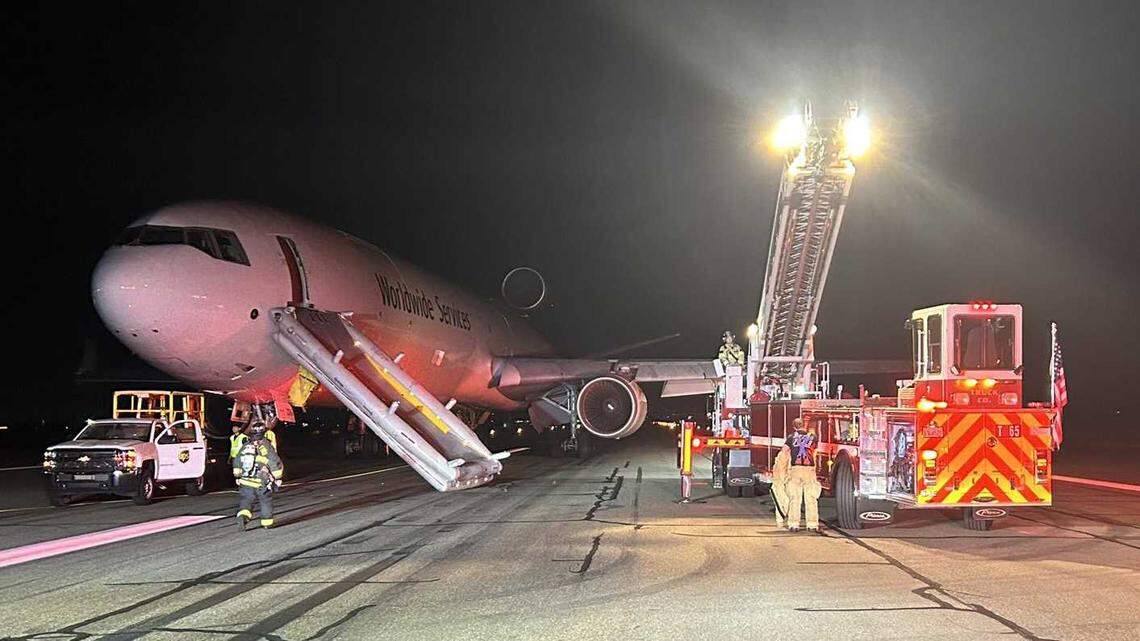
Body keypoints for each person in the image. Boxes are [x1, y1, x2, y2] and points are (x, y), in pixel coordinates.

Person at [233, 420, 284, 530]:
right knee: (265, 501)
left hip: (245, 480)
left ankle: (243, 516)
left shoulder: (246, 446)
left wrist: (237, 476)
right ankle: (267, 523)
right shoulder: (266, 446)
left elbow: (237, 461)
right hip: (261, 481)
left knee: (246, 500)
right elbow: (274, 462)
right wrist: (278, 478)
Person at [783, 417, 821, 532]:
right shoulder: (813, 437)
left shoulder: (791, 437)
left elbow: (784, 452)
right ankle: (812, 524)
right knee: (811, 498)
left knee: (795, 497)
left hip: (796, 469)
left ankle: (794, 524)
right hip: (809, 470)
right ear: (805, 425)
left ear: (794, 426)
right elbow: (815, 451)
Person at [771, 446, 791, 528]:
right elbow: (781, 470)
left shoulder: (787, 455)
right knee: (783, 503)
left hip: (783, 483)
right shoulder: (783, 456)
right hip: (779, 483)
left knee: (784, 503)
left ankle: (781, 521)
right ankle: (780, 521)